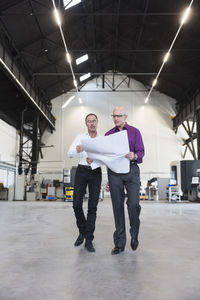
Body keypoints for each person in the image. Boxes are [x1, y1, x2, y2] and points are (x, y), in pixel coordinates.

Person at [105, 106, 144, 255]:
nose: (116, 119)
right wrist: (109, 178)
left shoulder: (134, 132)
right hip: (114, 172)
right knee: (117, 206)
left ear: (125, 116)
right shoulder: (108, 134)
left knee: (133, 204)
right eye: (113, 116)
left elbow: (141, 152)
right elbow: (105, 156)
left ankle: (134, 235)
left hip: (131, 170)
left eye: (119, 116)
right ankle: (119, 243)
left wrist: (134, 156)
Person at [68, 113, 102, 253]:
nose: (92, 123)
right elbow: (69, 153)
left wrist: (95, 160)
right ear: (86, 124)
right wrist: (77, 150)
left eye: (94, 121)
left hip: (95, 172)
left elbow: (106, 157)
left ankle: (89, 240)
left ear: (97, 122)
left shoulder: (102, 139)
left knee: (92, 207)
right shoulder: (80, 137)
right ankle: (82, 231)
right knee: (76, 204)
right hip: (81, 171)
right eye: (89, 121)